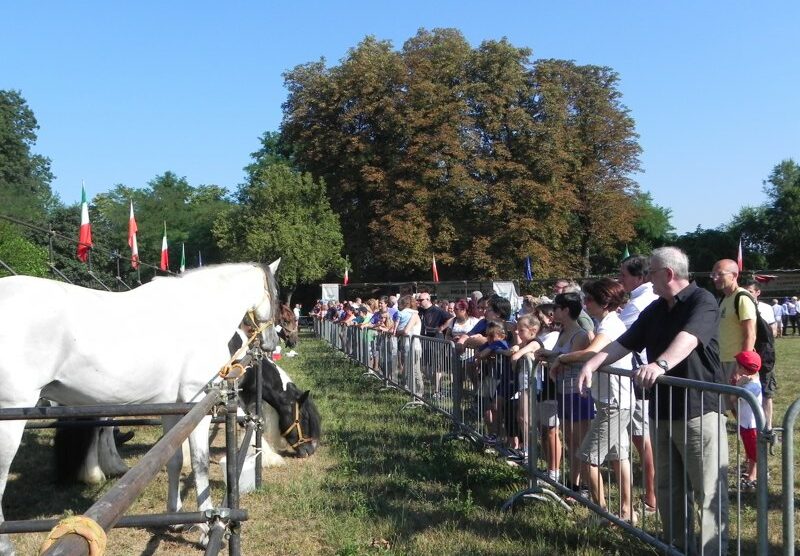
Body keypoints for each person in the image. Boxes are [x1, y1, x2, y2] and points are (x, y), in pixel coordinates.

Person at [579, 246, 728, 555]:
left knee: (708, 489)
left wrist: (659, 365)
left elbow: (688, 339)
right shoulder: (656, 308)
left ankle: (713, 550)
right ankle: (675, 546)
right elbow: (624, 343)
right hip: (662, 410)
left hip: (698, 410)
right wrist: (591, 364)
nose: (647, 278)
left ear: (669, 274)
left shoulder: (703, 301)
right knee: (669, 487)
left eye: (651, 273)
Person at [563, 278, 634, 524]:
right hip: (613, 399)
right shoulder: (608, 323)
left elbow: (593, 352)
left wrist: (560, 358)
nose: (585, 303)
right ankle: (626, 512)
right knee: (618, 457)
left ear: (604, 302)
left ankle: (602, 514)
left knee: (587, 459)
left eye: (589, 299)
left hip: (614, 401)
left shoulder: (609, 326)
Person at [539, 292, 592, 493]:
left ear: (566, 310)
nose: (554, 312)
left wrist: (554, 357)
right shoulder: (563, 332)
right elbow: (561, 357)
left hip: (577, 392)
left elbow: (568, 358)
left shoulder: (580, 335)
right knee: (570, 438)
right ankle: (573, 481)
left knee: (580, 439)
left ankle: (583, 484)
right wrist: (550, 355)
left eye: (557, 308)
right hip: (563, 390)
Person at [617, 254, 658, 514]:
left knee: (643, 440)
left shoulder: (640, 302)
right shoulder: (642, 299)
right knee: (642, 438)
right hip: (644, 376)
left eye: (624, 275)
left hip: (642, 378)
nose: (621, 280)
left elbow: (620, 338)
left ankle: (652, 499)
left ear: (639, 277)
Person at [711, 259, 756, 384]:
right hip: (722, 361)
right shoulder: (724, 299)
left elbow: (750, 335)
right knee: (725, 403)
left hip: (736, 363)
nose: (715, 278)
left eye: (720, 274)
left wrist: (742, 367)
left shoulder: (742, 297)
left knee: (737, 403)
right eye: (713, 275)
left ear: (734, 275)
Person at [732, 350, 762, 492]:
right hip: (745, 423)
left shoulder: (752, 386)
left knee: (754, 453)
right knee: (750, 452)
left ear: (744, 369)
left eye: (738, 367)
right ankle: (751, 473)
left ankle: (754, 476)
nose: (736, 369)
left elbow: (733, 399)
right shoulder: (749, 382)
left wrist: (737, 385)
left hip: (752, 426)